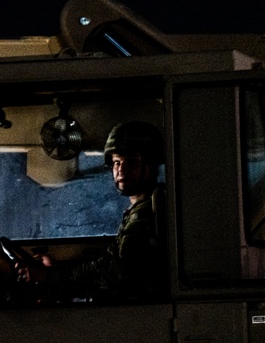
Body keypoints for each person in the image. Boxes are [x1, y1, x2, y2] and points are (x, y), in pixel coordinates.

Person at [16, 120, 167, 300]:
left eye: (132, 162)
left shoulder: (147, 213)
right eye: (117, 162)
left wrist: (49, 276)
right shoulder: (143, 207)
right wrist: (56, 269)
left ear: (151, 165)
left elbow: (114, 274)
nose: (121, 170)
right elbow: (110, 263)